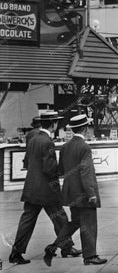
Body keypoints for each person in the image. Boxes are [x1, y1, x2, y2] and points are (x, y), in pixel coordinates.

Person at [9, 111, 80, 265]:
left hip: (31, 189)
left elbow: (27, 162)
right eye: (57, 122)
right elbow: (49, 169)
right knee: (60, 218)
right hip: (47, 191)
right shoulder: (48, 142)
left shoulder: (33, 139)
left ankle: (16, 252)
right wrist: (63, 170)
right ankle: (67, 248)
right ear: (54, 123)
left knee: (27, 221)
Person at [43, 114, 107, 267]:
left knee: (75, 222)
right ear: (85, 128)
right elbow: (86, 172)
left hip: (71, 193)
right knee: (89, 224)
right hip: (84, 193)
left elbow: (61, 170)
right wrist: (91, 193)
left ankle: (53, 247)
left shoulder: (65, 146)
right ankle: (90, 256)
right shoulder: (84, 147)